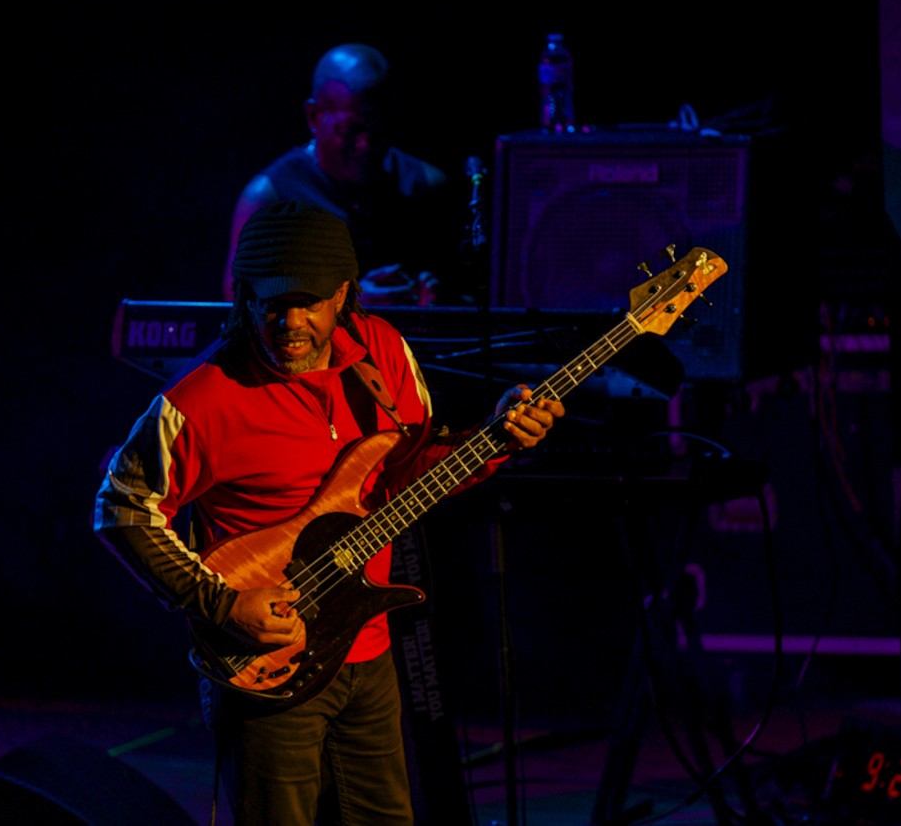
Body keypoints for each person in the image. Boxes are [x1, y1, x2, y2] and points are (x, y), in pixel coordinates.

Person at [95, 200, 564, 824]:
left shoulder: (383, 352)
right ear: (245, 297)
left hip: (366, 652)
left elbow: (408, 476)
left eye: (309, 303)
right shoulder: (202, 399)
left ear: (344, 293)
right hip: (266, 666)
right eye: (271, 303)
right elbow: (120, 509)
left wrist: (496, 443)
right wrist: (223, 605)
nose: (289, 322)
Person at [222, 42, 473, 307]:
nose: (366, 144)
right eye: (350, 129)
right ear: (314, 117)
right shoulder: (270, 200)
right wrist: (347, 303)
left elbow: (472, 300)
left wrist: (437, 298)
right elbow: (241, 308)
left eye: (378, 129)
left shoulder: (426, 186)